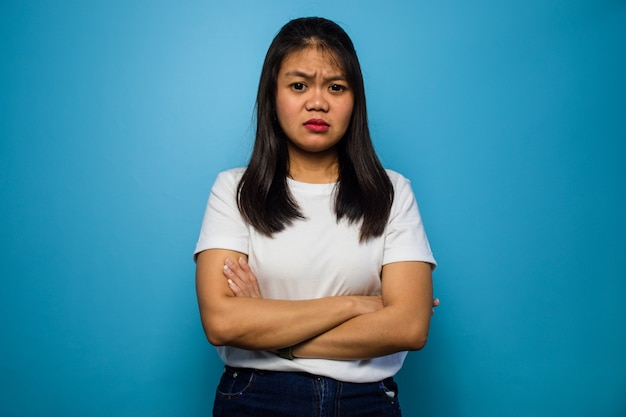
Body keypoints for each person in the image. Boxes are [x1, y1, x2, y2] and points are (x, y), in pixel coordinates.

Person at [194, 17, 437, 417]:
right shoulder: (234, 190)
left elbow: (409, 327)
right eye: (299, 85)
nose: (318, 102)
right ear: (272, 96)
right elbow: (222, 321)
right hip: (258, 397)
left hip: (366, 402)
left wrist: (270, 333)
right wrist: (356, 305)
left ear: (355, 99)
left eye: (336, 87)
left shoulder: (391, 192)